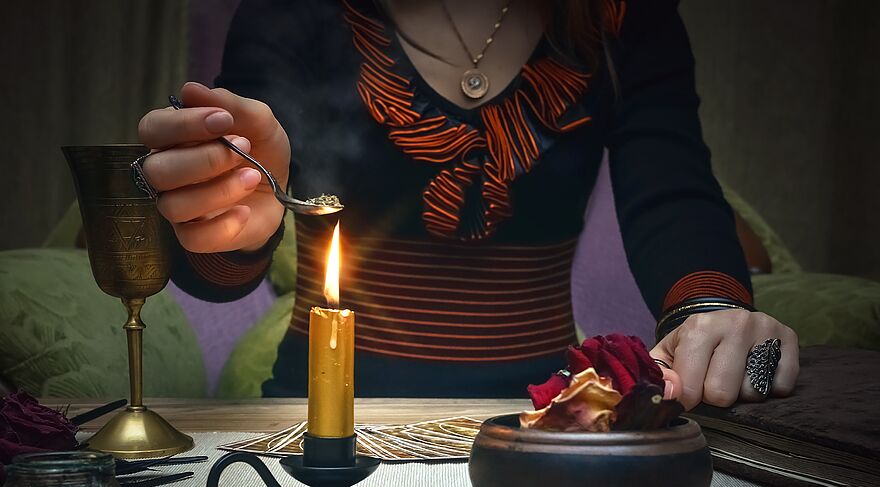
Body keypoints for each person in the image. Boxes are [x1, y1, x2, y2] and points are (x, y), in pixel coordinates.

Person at [136, 0, 799, 408]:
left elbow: (673, 189)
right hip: (315, 429)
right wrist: (229, 218)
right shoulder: (296, 10)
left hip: (545, 428)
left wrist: (713, 312)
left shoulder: (622, 13)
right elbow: (215, 265)